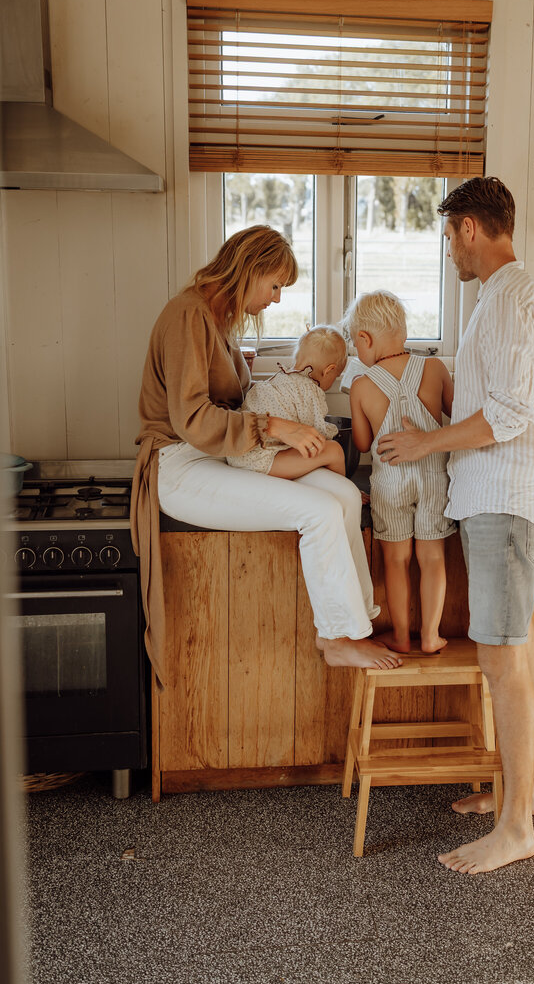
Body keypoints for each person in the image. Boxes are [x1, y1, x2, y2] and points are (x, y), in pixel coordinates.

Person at [376, 177, 534, 874]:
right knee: (519, 650)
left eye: (448, 233)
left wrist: (426, 443)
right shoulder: (501, 298)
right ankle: (530, 793)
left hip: (506, 500)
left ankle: (516, 829)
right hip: (502, 498)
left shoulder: (511, 297)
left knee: (502, 660)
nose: (448, 247)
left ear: (471, 229)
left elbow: (513, 411)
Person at [131, 225, 401, 690]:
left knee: (342, 494)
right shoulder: (188, 315)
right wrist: (276, 426)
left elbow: (228, 404)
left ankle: (360, 618)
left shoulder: (216, 321)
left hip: (217, 457)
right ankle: (336, 638)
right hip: (179, 465)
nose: (277, 299)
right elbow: (193, 418)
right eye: (275, 285)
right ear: (250, 269)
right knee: (316, 511)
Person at [344, 290, 455, 654]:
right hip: (435, 476)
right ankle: (431, 635)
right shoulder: (435, 369)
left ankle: (403, 637)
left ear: (365, 339)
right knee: (432, 557)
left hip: (390, 482)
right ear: (403, 332)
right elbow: (458, 412)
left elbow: (362, 444)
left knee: (396, 559)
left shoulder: (361, 385)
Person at [228, 326, 348, 480]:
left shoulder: (278, 378)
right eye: (336, 375)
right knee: (334, 450)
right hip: (261, 460)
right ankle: (343, 486)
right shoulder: (310, 390)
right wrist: (332, 431)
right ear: (328, 370)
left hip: (236, 453)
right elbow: (315, 435)